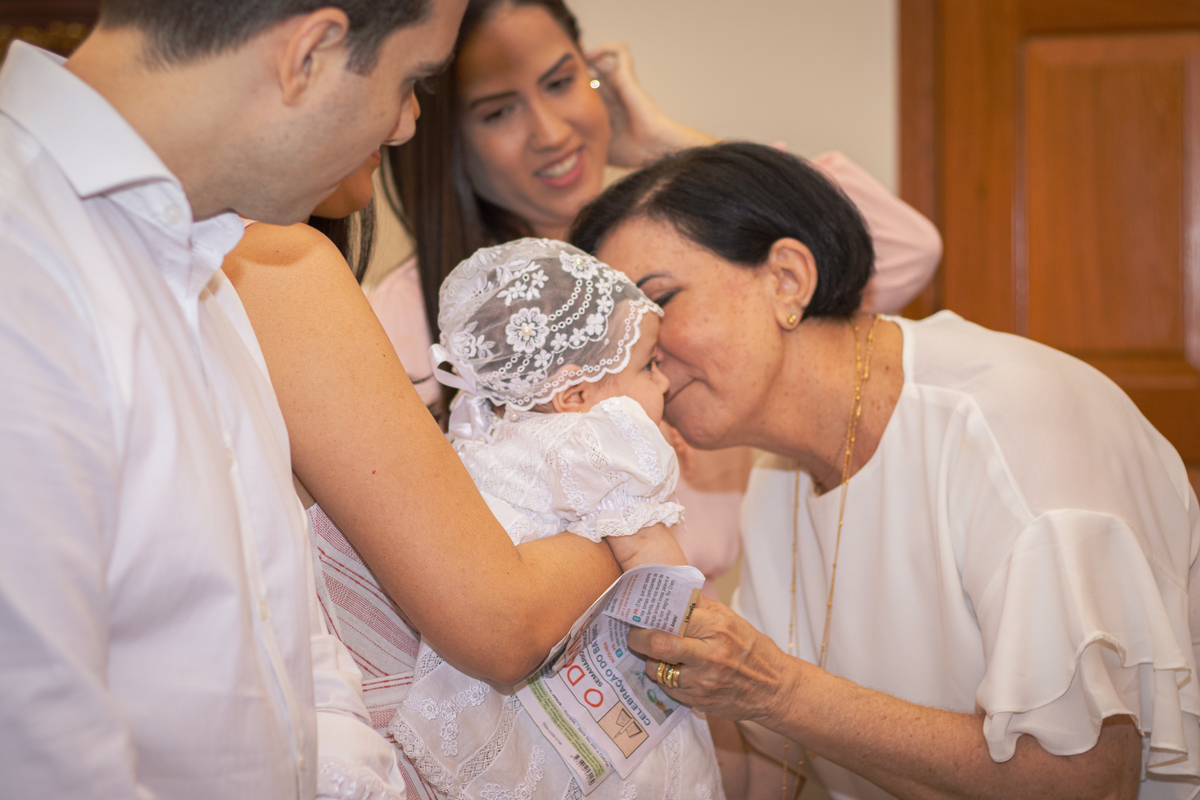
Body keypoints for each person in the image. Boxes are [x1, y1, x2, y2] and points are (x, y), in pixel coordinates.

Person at [567, 142, 1200, 800]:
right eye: (610, 338)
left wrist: (778, 690)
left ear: (787, 279)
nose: (634, 354)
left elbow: (1091, 780)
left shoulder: (1008, 422)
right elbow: (772, 767)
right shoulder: (775, 479)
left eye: (658, 303)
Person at [0, 0, 468, 796]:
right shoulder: (25, 270)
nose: (403, 127)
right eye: (406, 81)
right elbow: (41, 752)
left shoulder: (199, 254)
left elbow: (287, 642)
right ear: (310, 53)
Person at [371, 0, 944, 592]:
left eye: (561, 83)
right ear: (446, 137)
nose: (551, 132)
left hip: (696, 619)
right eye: (498, 112)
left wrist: (664, 146)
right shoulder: (409, 321)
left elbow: (903, 249)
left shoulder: (661, 247)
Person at [386, 239, 724, 799]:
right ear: (575, 394)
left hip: (520, 703)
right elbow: (650, 560)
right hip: (607, 689)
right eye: (648, 365)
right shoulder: (597, 442)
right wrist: (687, 623)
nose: (663, 382)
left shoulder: (477, 447)